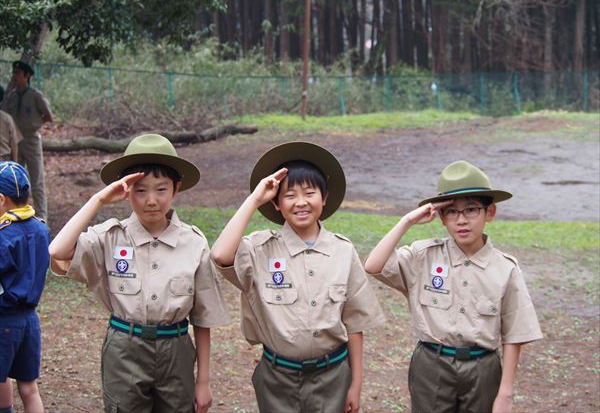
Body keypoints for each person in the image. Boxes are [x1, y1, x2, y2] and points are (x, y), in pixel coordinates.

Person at [48, 134, 230, 413]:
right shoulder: (110, 238)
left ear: (176, 189)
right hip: (124, 349)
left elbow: (203, 318)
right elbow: (58, 251)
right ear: (125, 190)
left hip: (177, 349)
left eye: (161, 189)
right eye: (140, 190)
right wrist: (98, 199)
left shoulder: (194, 242)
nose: (151, 200)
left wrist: (203, 380)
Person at [211, 141, 386, 413]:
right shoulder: (259, 249)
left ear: (324, 198)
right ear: (277, 204)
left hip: (334, 375)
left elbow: (355, 324)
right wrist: (255, 198)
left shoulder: (342, 250)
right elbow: (221, 255)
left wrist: (356, 383)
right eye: (289, 195)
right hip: (277, 377)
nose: (301, 202)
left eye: (309, 192)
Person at [364, 160, 543, 413]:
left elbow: (515, 335)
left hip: (483, 367)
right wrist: (407, 221)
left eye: (471, 210)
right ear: (440, 217)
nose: (461, 220)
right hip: (431, 364)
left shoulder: (506, 269)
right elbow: (373, 265)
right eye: (452, 212)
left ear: (489, 213)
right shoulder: (423, 256)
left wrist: (505, 393)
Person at [0, 161, 51, 413]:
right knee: (29, 389)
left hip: (3, 320)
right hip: (30, 320)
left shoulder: (3, 234)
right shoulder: (41, 228)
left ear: (1, 200)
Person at [0, 61, 53, 220]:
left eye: (17, 73)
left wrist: (34, 126)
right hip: (14, 143)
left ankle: (42, 218)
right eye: (13, 73)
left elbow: (48, 116)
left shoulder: (35, 95)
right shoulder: (11, 96)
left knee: (36, 181)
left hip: (30, 140)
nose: (14, 76)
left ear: (27, 76)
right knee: (14, 180)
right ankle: (16, 214)